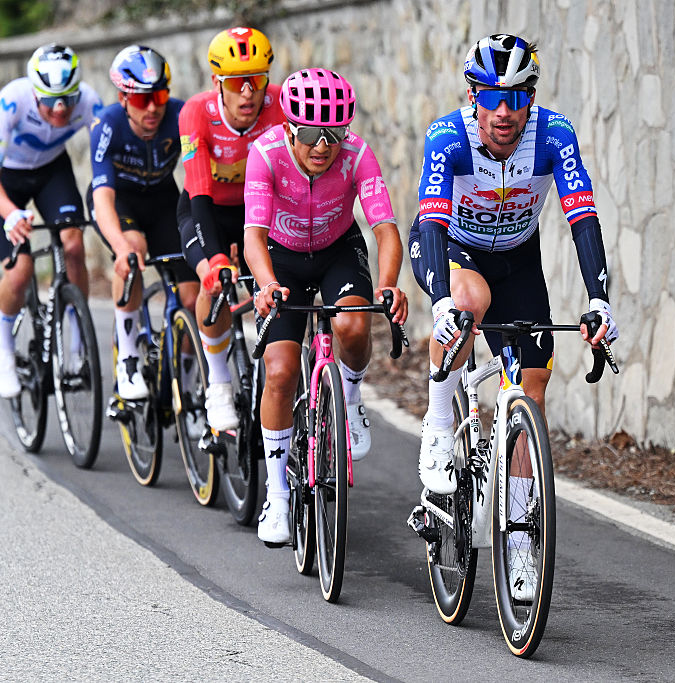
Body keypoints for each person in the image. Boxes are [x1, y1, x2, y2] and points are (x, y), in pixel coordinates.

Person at [408, 33, 619, 595]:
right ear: (473, 96)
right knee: (469, 303)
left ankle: (521, 540)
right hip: (451, 249)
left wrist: (598, 299)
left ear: (532, 98)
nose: (505, 111)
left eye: (518, 97)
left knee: (532, 389)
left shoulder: (554, 135)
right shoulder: (448, 137)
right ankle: (438, 422)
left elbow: (582, 218)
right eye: (492, 98)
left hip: (518, 261)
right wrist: (442, 302)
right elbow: (432, 221)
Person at [243, 68, 408, 545]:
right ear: (289, 128)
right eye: (311, 134)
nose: (323, 146)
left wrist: (389, 285)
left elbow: (385, 231)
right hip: (282, 257)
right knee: (279, 371)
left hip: (338, 250)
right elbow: (253, 236)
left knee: (354, 327)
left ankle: (350, 400)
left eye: (334, 134)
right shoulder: (266, 154)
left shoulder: (357, 154)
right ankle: (277, 495)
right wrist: (267, 284)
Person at [0, 43, 102, 398]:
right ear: (35, 93)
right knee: (20, 272)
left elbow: (105, 159)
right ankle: (3, 350)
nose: (60, 109)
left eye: (68, 99)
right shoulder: (11, 101)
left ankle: (76, 340)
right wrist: (10, 213)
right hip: (8, 178)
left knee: (73, 243)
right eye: (50, 101)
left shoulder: (89, 101)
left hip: (51, 171)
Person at [177, 26, 285, 432]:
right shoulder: (195, 114)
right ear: (217, 83)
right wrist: (217, 257)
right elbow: (199, 192)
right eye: (237, 83)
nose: (248, 93)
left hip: (259, 211)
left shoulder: (280, 106)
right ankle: (219, 383)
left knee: (279, 281)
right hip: (206, 211)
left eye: (256, 80)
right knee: (213, 281)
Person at [88, 44, 197, 399]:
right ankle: (128, 359)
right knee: (133, 251)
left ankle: (189, 388)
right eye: (140, 99)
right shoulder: (107, 125)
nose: (152, 108)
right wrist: (120, 247)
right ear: (123, 98)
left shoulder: (181, 115)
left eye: (159, 96)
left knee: (193, 298)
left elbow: (200, 176)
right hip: (120, 200)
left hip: (163, 199)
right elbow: (102, 196)